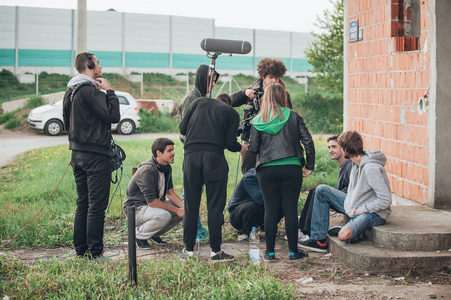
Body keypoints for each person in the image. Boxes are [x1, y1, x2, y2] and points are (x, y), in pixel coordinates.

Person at [63, 52, 120, 262]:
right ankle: (95, 253)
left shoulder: (70, 91)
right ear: (89, 65)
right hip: (96, 156)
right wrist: (110, 91)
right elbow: (113, 116)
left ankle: (81, 251)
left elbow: (66, 122)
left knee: (83, 203)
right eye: (98, 64)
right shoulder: (89, 91)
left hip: (77, 155)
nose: (101, 68)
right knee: (96, 205)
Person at [248, 83, 315, 261]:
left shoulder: (257, 120)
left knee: (270, 209)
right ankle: (294, 252)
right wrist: (309, 165)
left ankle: (270, 252)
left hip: (267, 169)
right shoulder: (293, 116)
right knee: (291, 209)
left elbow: (253, 148)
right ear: (282, 97)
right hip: (291, 167)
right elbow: (308, 141)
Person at [179, 94, 247, 261]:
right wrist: (241, 148)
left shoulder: (198, 102)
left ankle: (188, 250)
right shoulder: (231, 113)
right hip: (214, 159)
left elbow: (182, 129)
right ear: (229, 103)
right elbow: (230, 143)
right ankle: (216, 252)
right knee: (215, 206)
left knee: (190, 204)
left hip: (191, 157)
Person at [299, 131, 392, 253]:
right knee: (321, 190)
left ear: (346, 149)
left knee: (343, 236)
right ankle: (319, 240)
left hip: (374, 213)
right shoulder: (355, 164)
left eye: (340, 147)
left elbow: (385, 200)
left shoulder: (371, 168)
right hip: (356, 205)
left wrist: (360, 210)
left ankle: (348, 230)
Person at [178, 64, 219, 241]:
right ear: (203, 79)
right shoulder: (192, 98)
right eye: (212, 81)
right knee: (190, 193)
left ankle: (194, 226)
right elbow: (186, 129)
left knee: (195, 191)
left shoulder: (202, 97)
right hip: (193, 152)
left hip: (202, 151)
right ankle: (193, 227)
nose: (214, 85)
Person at [231, 58, 292, 174]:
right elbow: (228, 101)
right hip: (250, 138)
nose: (274, 81)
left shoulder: (284, 95)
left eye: (277, 77)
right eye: (271, 77)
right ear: (263, 77)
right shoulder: (252, 92)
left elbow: (288, 117)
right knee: (248, 174)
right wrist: (245, 93)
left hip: (273, 141)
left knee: (268, 175)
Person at [123, 138, 184, 249]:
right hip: (135, 209)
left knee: (182, 210)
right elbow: (152, 202)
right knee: (165, 215)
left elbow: (170, 193)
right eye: (169, 151)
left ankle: (152, 234)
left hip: (150, 207)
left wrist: (184, 208)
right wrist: (177, 210)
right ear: (158, 153)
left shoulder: (166, 168)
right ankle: (139, 236)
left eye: (173, 150)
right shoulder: (147, 170)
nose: (173, 153)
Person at [297, 135, 352, 242]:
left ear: (344, 148)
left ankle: (310, 234)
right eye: (329, 147)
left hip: (351, 204)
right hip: (344, 198)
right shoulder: (343, 165)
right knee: (314, 190)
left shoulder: (349, 166)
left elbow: (351, 191)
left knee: (321, 190)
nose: (330, 150)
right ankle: (302, 230)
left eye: (334, 147)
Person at [227, 168, 265, 241]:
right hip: (237, 215)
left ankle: (265, 227)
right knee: (254, 206)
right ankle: (244, 231)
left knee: (283, 201)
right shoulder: (250, 177)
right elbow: (260, 198)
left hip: (256, 209)